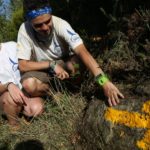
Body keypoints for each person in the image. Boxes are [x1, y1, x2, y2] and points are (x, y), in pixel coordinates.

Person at [17, 0, 124, 106]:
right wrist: (51, 64)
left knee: (74, 65)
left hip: (65, 63)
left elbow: (82, 52)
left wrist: (104, 82)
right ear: (30, 22)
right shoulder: (24, 29)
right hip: (44, 69)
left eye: (48, 21)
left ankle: (75, 88)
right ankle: (55, 93)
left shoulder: (61, 25)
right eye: (38, 25)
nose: (45, 28)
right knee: (28, 85)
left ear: (51, 14)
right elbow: (22, 65)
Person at [0, 41, 43, 127]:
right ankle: (14, 125)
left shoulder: (13, 46)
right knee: (9, 99)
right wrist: (8, 85)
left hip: (23, 90)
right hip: (4, 95)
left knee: (37, 109)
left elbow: (29, 64)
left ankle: (22, 113)